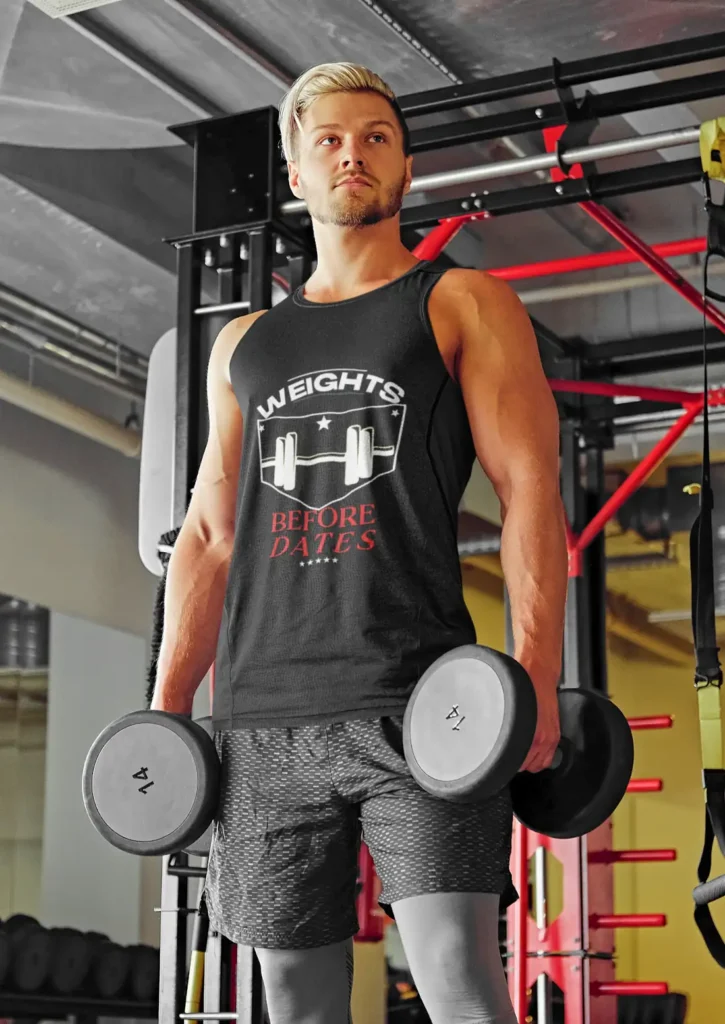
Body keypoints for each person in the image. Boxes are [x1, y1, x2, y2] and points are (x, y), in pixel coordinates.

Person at [151, 62, 568, 1024]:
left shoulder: (461, 302)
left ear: (405, 168)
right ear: (296, 172)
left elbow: (527, 491)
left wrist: (536, 673)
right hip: (263, 715)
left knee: (458, 981)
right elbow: (209, 534)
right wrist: (169, 708)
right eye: (329, 139)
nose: (353, 153)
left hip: (421, 702)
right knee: (292, 999)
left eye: (376, 137)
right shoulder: (243, 344)